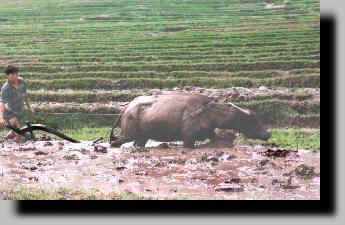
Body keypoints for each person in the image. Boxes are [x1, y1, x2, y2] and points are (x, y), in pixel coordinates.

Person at [0, 65, 34, 142]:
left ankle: (8, 137)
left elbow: (25, 95)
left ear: (17, 74)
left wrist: (29, 107)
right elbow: (2, 103)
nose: (12, 78)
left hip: (19, 109)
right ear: (7, 76)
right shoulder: (5, 88)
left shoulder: (22, 82)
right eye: (10, 76)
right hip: (9, 111)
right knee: (18, 129)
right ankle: (19, 144)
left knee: (15, 130)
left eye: (14, 75)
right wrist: (1, 117)